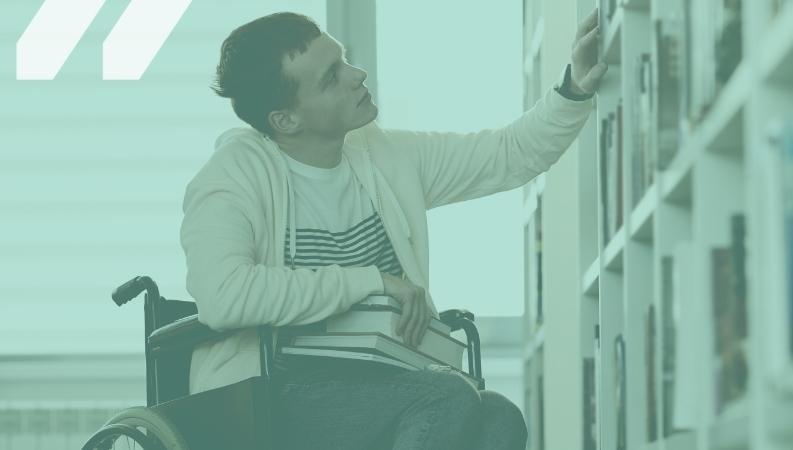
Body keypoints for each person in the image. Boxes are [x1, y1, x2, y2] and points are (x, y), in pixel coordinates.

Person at [179, 9, 607, 450]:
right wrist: (372, 282)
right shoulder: (230, 179)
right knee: (446, 398)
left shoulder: (383, 156)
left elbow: (509, 154)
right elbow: (224, 296)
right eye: (331, 77)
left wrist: (574, 87)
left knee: (499, 416)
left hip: (388, 383)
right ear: (285, 119)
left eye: (342, 60)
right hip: (273, 397)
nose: (356, 75)